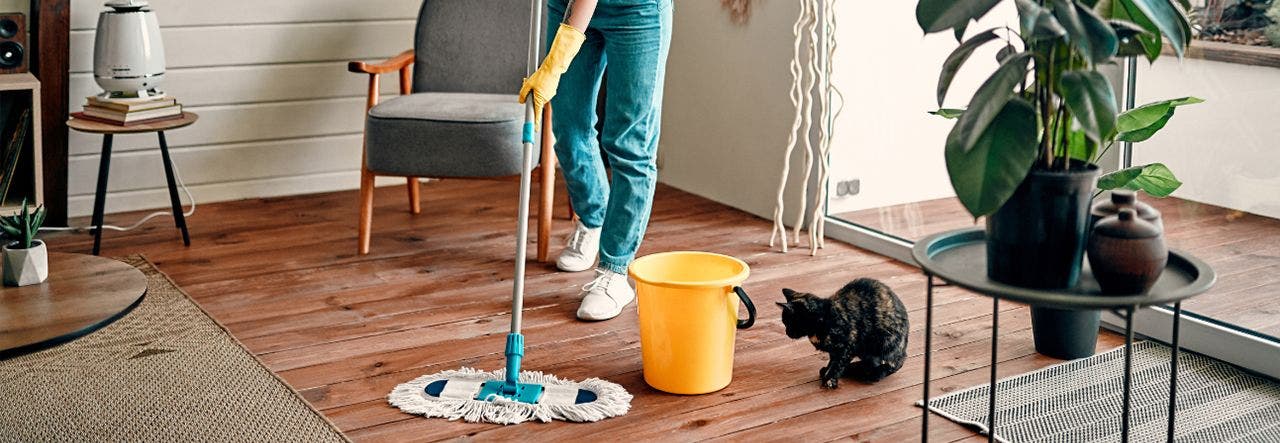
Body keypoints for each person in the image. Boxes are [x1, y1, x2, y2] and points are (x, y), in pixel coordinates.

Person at [519, 0, 673, 321]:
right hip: (569, 4)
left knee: (629, 143)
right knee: (569, 126)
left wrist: (555, 62)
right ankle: (594, 217)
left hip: (637, 10)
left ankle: (614, 272)